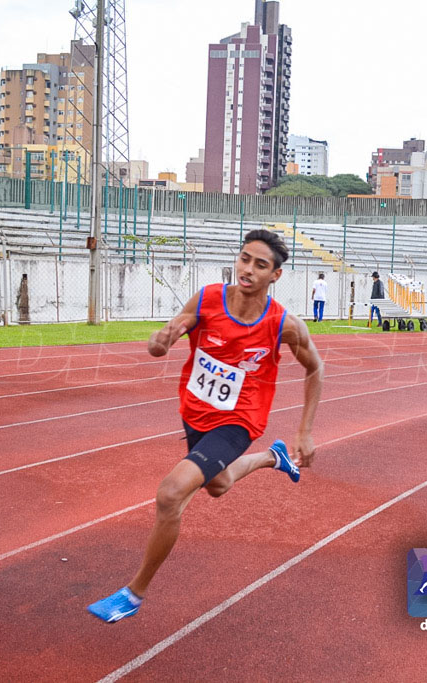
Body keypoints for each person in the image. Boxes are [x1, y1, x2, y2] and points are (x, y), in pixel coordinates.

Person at [87, 229, 324, 623]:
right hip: (195, 412)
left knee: (171, 493)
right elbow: (158, 344)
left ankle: (133, 593)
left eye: (260, 265)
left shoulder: (285, 325)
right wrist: (160, 341)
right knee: (217, 485)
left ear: (275, 276)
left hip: (239, 420)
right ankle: (272, 457)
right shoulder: (208, 299)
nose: (247, 269)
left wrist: (306, 429)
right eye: (244, 258)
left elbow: (315, 368)